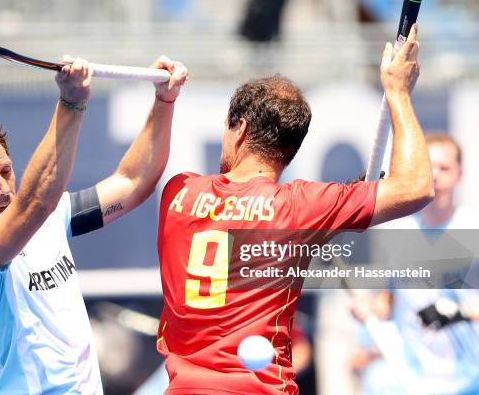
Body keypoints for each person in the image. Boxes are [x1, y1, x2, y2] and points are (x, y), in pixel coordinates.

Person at [155, 24, 433, 394]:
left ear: (240, 129)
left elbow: (137, 178)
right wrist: (398, 93)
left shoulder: (179, 192)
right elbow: (416, 186)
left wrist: (162, 102)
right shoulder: (303, 205)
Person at [0, 55, 188, 394]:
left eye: (5, 171)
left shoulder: (51, 217)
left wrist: (164, 101)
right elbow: (35, 202)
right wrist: (70, 104)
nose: (3, 188)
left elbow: (133, 182)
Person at [352, 132, 479, 395]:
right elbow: (388, 302)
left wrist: (459, 312)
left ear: (460, 174)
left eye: (444, 168)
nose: (435, 175)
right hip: (413, 381)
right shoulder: (400, 234)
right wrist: (368, 310)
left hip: (469, 378)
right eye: (429, 167)